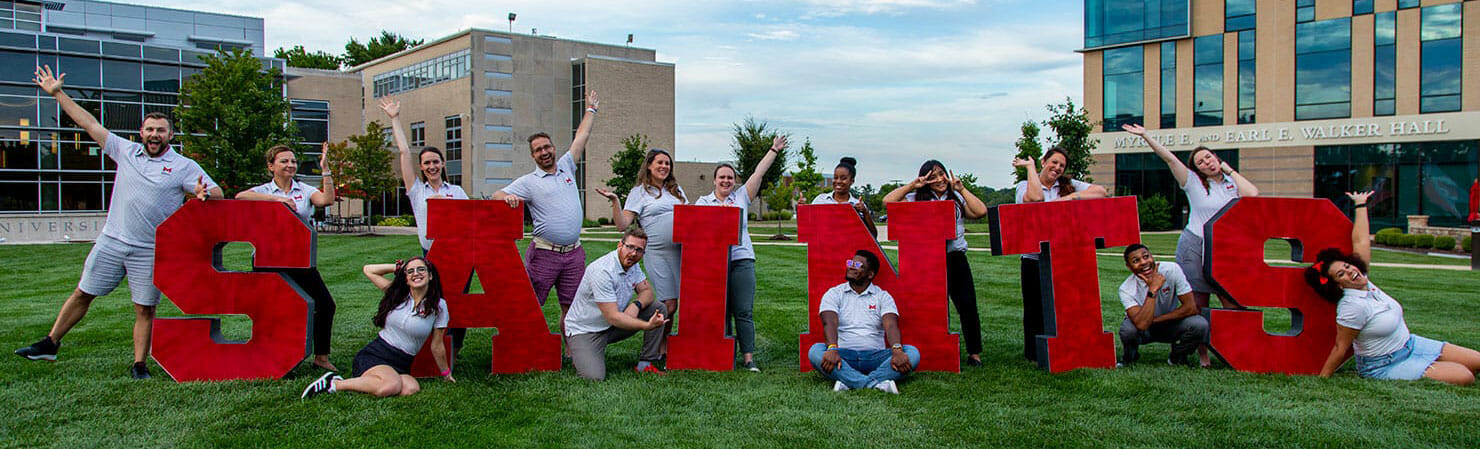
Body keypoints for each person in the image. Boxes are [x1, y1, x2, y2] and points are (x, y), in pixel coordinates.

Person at [14, 65, 222, 379]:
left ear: (170, 135)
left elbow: (216, 191)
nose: (154, 135)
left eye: (161, 130)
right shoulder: (124, 151)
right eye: (149, 130)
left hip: (150, 250)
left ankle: (139, 365)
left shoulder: (183, 166)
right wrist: (57, 93)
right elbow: (89, 123)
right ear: (141, 132)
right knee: (83, 293)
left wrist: (205, 193)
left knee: (144, 308)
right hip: (112, 241)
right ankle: (50, 344)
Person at [1307, 192, 1480, 385]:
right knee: (1465, 376)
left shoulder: (1364, 280)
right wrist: (1323, 379)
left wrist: (1360, 204)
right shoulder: (1351, 306)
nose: (1350, 272)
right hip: (1383, 364)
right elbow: (1341, 347)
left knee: (1477, 361)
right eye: (1341, 274)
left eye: (1347, 266)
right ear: (1338, 285)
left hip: (1411, 344)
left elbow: (1361, 242)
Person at [1123, 123, 1259, 367]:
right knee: (1198, 302)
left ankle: (1240, 350)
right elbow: (1170, 159)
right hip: (1194, 246)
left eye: (1208, 157)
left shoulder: (1230, 183)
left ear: (1216, 158)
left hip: (1224, 248)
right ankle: (1202, 355)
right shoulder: (1193, 182)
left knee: (1232, 302)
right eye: (1200, 162)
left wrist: (1229, 170)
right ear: (1197, 169)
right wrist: (1146, 136)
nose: (1207, 163)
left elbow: (1253, 195)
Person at [492, 90, 599, 351]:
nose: (544, 152)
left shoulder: (566, 166)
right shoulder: (528, 183)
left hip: (574, 254)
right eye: (538, 150)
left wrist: (591, 110)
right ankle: (527, 349)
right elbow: (496, 195)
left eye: (547, 147)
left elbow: (581, 137)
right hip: (544, 254)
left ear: (553, 147)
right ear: (533, 156)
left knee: (572, 308)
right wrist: (507, 198)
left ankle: (574, 352)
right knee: (531, 304)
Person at [234, 143, 340, 371]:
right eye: (284, 161)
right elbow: (240, 197)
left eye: (293, 161)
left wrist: (325, 169)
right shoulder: (263, 191)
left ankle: (321, 357)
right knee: (272, 309)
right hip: (267, 260)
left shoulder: (304, 190)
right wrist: (276, 200)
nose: (290, 165)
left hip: (298, 258)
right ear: (271, 166)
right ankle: (270, 356)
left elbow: (326, 200)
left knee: (325, 304)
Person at [380, 98, 469, 351]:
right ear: (421, 167)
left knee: (458, 302)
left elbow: (468, 221)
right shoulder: (417, 191)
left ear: (443, 164)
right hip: (432, 255)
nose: (432, 166)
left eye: (435, 161)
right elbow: (405, 153)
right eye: (427, 162)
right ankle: (427, 346)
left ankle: (454, 349)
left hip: (460, 256)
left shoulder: (458, 190)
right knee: (431, 300)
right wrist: (395, 119)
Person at [882, 160, 987, 366]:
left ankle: (974, 353)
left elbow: (981, 211)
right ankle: (934, 348)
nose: (939, 179)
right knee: (932, 306)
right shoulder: (916, 198)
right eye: (933, 176)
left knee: (967, 305)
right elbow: (888, 201)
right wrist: (914, 184)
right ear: (926, 179)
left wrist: (961, 188)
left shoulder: (956, 197)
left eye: (941, 174)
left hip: (954, 257)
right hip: (928, 259)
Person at [300, 257, 453, 398]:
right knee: (390, 386)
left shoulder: (439, 306)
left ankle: (373, 381)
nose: (416, 274)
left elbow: (437, 344)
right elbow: (369, 269)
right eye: (410, 271)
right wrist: (398, 267)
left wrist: (446, 373)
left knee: (410, 389)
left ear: (430, 275)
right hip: (376, 355)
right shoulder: (397, 295)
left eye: (421, 269)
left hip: (402, 363)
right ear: (406, 278)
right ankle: (334, 383)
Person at [695, 136, 786, 372]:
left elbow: (758, 174)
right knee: (719, 309)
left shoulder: (741, 197)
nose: (726, 181)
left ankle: (748, 358)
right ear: (714, 180)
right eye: (722, 177)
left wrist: (773, 150)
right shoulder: (703, 202)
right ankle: (721, 354)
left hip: (741, 260)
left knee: (743, 310)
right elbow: (696, 231)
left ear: (735, 181)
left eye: (730, 177)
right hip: (714, 264)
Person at [1011, 147, 1109, 362]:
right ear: (1044, 161)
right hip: (1033, 257)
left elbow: (1101, 192)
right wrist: (1029, 168)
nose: (1056, 168)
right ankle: (1035, 352)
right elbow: (1035, 198)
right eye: (1053, 162)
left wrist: (1070, 198)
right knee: (1034, 306)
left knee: (1064, 304)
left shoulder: (1067, 186)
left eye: (1061, 165)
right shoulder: (1023, 185)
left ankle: (1068, 344)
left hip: (1062, 255)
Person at [596, 148, 684, 361]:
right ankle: (655, 349)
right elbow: (622, 224)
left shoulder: (676, 190)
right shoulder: (639, 193)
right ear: (649, 166)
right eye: (659, 163)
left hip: (682, 252)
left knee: (676, 303)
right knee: (668, 303)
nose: (664, 167)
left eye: (667, 163)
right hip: (658, 253)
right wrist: (615, 202)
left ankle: (664, 346)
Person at [806, 250, 921, 394]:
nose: (851, 267)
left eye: (858, 265)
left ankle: (849, 381)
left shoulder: (882, 296)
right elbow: (829, 323)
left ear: (870, 274)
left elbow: (891, 324)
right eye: (850, 263)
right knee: (815, 351)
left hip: (876, 356)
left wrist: (897, 350)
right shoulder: (834, 293)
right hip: (843, 356)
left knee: (912, 353)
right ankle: (875, 384)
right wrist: (832, 348)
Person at [563, 227, 670, 380]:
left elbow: (647, 292)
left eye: (639, 250)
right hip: (586, 330)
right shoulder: (603, 271)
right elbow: (613, 316)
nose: (634, 253)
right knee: (594, 377)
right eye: (630, 247)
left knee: (658, 308)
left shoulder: (633, 265)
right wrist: (647, 326)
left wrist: (636, 305)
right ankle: (582, 354)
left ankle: (645, 364)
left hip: (611, 325)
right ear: (620, 245)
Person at [1116, 243, 1208, 367]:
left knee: (1199, 324)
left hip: (1169, 322)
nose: (1143, 262)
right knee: (1128, 330)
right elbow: (1142, 324)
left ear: (1152, 257)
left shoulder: (1172, 270)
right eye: (1136, 261)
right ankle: (1130, 356)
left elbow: (1191, 308)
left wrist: (1155, 320)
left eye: (1146, 256)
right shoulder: (1126, 288)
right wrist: (1153, 289)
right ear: (1129, 266)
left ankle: (1177, 356)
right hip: (1144, 329)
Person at [810, 157, 878, 237]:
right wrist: (801, 208)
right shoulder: (820, 200)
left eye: (843, 178)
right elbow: (808, 227)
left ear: (852, 181)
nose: (838, 181)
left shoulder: (858, 205)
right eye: (835, 177)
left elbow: (873, 235)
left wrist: (865, 213)